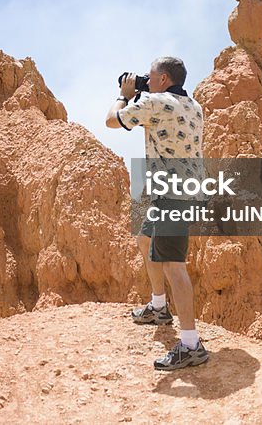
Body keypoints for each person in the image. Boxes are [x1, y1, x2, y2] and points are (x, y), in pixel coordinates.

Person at [105, 56, 209, 371]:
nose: (145, 81)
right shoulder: (194, 106)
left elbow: (113, 121)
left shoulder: (153, 101)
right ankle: (159, 306)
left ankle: (191, 345)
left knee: (175, 265)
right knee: (144, 238)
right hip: (185, 189)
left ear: (163, 79)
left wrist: (125, 94)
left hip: (173, 194)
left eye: (149, 77)